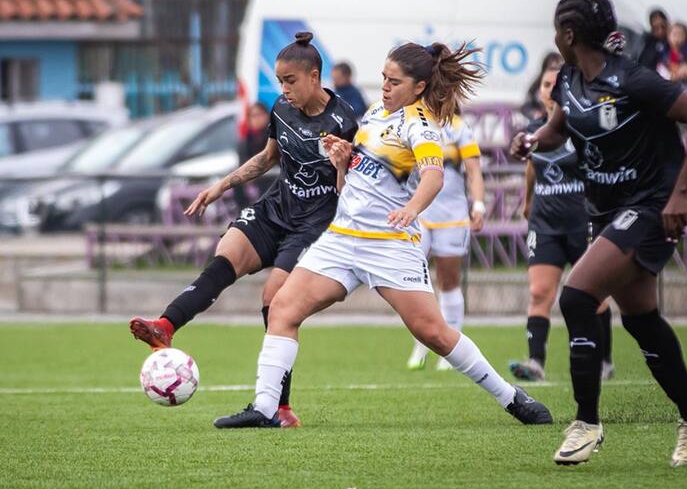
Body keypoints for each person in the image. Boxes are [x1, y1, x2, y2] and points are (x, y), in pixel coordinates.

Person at [214, 41, 553, 429]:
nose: (386, 87)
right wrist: (343, 161)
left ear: (420, 86)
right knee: (282, 309)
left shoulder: (420, 125)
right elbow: (352, 181)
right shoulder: (375, 114)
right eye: (383, 79)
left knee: (434, 334)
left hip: (389, 244)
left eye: (395, 82)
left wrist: (412, 208)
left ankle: (512, 398)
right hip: (343, 237)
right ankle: (264, 408)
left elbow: (433, 176)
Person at [129, 32, 360, 428]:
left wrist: (341, 165)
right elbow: (267, 158)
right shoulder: (280, 110)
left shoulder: (344, 121)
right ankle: (165, 327)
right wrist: (220, 186)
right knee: (225, 255)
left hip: (314, 225)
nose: (283, 89)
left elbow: (350, 192)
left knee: (275, 301)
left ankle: (279, 408)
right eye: (280, 81)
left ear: (314, 77)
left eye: (290, 81)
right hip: (276, 209)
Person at [511, 0, 687, 467]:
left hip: (651, 205)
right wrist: (532, 141)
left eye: (555, 29)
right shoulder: (569, 78)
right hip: (606, 209)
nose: (553, 37)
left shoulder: (634, 80)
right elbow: (559, 127)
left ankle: (586, 423)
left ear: (568, 34)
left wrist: (681, 195)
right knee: (642, 320)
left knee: (575, 296)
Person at [509, 63, 614, 383]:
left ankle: (604, 360)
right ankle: (536, 363)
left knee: (592, 295)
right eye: (544, 84)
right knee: (539, 292)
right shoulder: (533, 132)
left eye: (555, 84)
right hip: (545, 223)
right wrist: (527, 203)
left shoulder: (582, 126)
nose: (549, 91)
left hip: (582, 223)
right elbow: (531, 169)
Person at [405, 109, 486, 371]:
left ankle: (451, 351)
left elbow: (473, 171)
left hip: (452, 215)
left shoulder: (459, 127)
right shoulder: (412, 122)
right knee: (413, 279)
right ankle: (422, 341)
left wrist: (479, 205)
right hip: (418, 215)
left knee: (448, 281)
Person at [233, 102, 271, 209]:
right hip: (255, 177)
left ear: (267, 115)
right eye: (253, 116)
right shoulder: (246, 141)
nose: (256, 119)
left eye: (259, 115)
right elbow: (243, 163)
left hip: (272, 178)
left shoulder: (273, 135)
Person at [521, 52, 563, 120]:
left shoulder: (568, 85)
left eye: (557, 68)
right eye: (547, 85)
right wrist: (534, 113)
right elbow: (526, 106)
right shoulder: (535, 86)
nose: (550, 91)